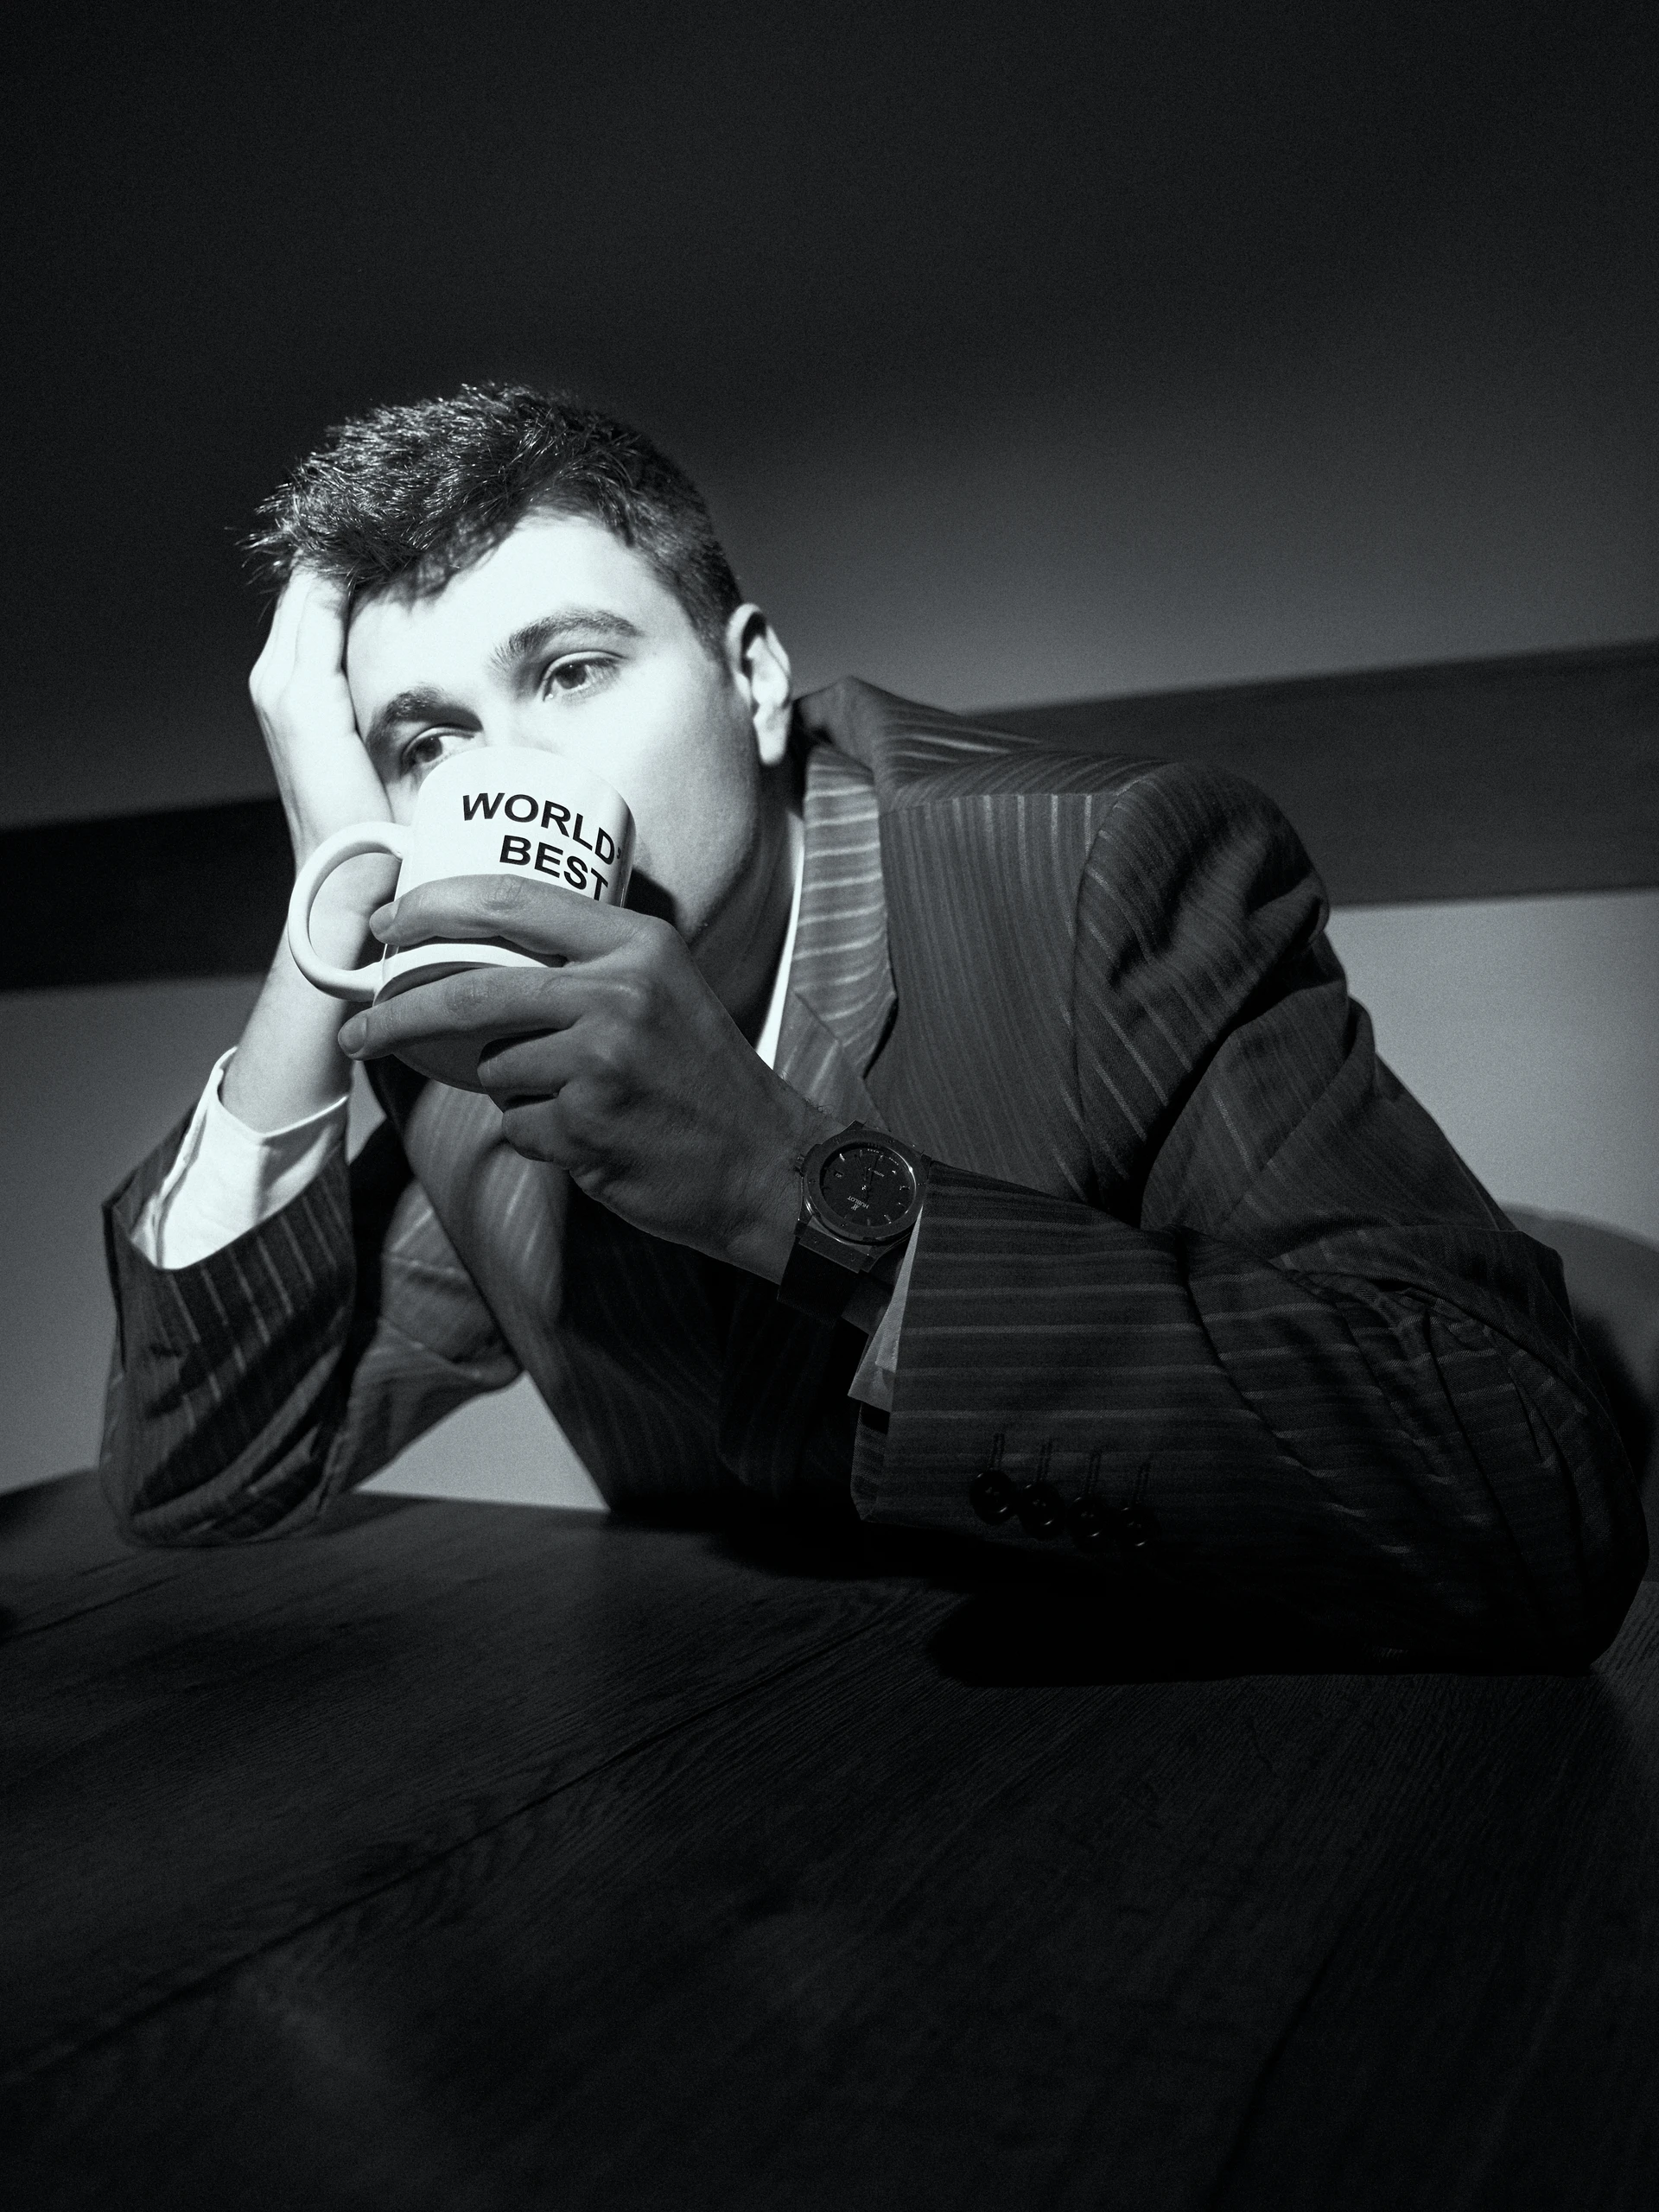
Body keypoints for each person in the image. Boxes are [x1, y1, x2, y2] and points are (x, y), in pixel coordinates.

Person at [100, 383, 1645, 1665]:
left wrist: (796, 1195)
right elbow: (204, 1481)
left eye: (571, 671)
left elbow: (1526, 1494)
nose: (510, 775)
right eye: (430, 745)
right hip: (767, 1799)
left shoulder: (1102, 879)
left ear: (754, 678)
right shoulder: (469, 1043)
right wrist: (332, 906)